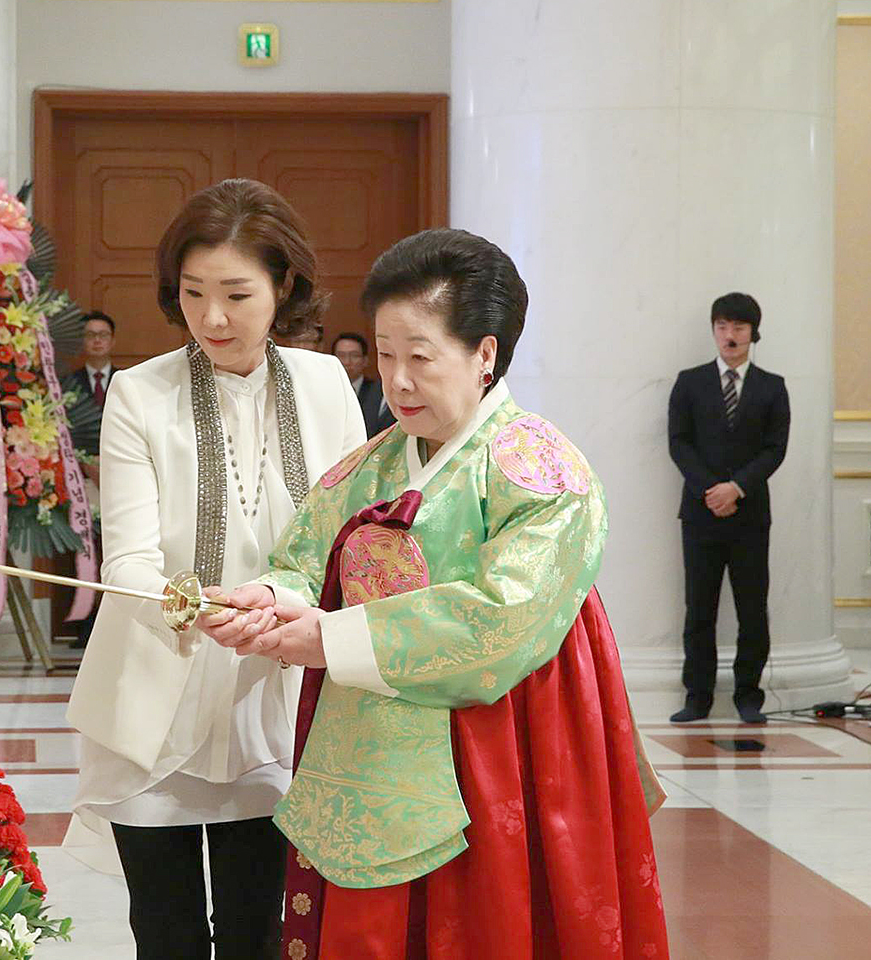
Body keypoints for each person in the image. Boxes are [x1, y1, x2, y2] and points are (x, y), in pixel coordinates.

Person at [200, 228, 669, 959]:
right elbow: (302, 555)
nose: (398, 383)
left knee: (488, 919)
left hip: (500, 744)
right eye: (385, 356)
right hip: (370, 748)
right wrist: (267, 598)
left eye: (420, 357)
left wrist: (326, 638)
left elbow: (503, 621)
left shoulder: (540, 470)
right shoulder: (373, 463)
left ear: (485, 354)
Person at [65, 178, 367, 960]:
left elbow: (345, 539)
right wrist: (197, 608)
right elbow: (127, 559)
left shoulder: (328, 383)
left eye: (237, 293)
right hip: (159, 696)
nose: (213, 318)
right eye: (194, 293)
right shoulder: (139, 393)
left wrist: (274, 602)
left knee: (259, 935)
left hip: (278, 697)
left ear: (284, 287)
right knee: (164, 935)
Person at [667, 292, 790, 724]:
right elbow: (678, 443)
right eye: (721, 326)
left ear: (753, 333)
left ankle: (748, 694)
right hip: (700, 514)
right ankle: (697, 696)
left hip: (750, 514)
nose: (729, 336)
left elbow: (776, 449)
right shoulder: (690, 382)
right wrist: (711, 490)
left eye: (738, 327)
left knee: (752, 607)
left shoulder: (772, 387)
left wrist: (737, 488)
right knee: (699, 608)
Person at [61, 312, 119, 647]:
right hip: (81, 479)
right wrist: (86, 466)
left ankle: (111, 625)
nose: (96, 340)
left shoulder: (128, 381)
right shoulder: (70, 384)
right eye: (90, 335)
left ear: (112, 340)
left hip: (121, 477)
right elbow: (63, 434)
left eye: (103, 334)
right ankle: (85, 624)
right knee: (85, 551)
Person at [332, 331, 396, 436]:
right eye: (341, 355)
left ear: (365, 360)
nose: (347, 362)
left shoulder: (378, 392)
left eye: (354, 355)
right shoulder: (326, 392)